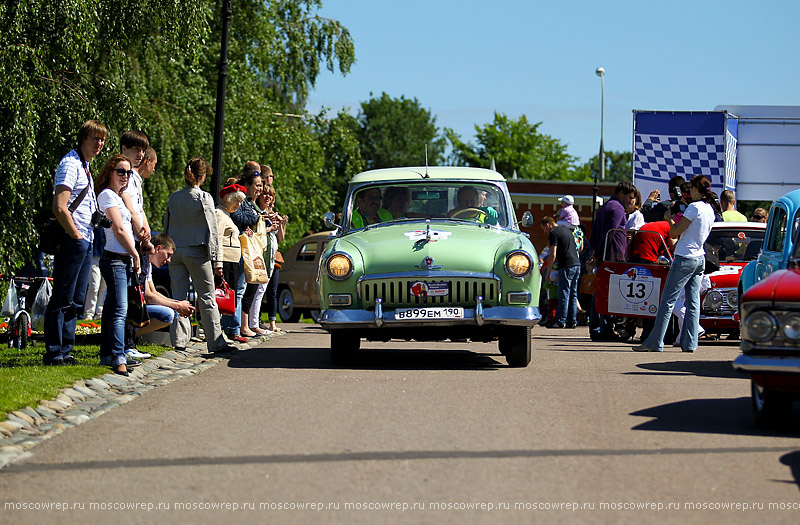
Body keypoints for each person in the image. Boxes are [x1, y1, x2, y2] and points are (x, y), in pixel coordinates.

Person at [43, 120, 108, 366]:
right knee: (62, 295)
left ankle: (66, 350)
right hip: (74, 239)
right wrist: (77, 236)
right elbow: (59, 206)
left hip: (86, 238)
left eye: (102, 140)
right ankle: (53, 351)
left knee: (76, 299)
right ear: (83, 139)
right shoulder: (70, 164)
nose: (99, 144)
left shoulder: (86, 166)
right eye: (95, 139)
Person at [634, 175, 715, 353]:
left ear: (695, 189)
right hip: (699, 257)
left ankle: (655, 342)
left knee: (667, 300)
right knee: (693, 303)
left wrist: (669, 217)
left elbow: (675, 231)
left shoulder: (694, 207)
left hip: (685, 256)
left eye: (692, 189)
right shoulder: (709, 209)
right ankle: (690, 343)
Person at [164, 157, 236, 354]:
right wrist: (217, 260)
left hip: (176, 250)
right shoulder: (204, 198)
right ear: (203, 176)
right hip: (198, 251)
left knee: (178, 296)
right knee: (207, 297)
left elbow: (166, 226)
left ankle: (178, 339)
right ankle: (216, 342)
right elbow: (212, 230)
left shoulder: (174, 197)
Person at [96, 154, 141, 376]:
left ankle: (107, 354)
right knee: (120, 310)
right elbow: (118, 229)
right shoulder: (106, 196)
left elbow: (131, 222)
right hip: (115, 258)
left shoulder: (118, 197)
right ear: (110, 172)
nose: (125, 176)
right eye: (121, 171)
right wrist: (135, 254)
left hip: (122, 258)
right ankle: (118, 356)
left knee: (113, 308)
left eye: (128, 172)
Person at [587, 181, 637, 341]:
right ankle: (606, 330)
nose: (630, 201)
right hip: (612, 257)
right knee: (609, 295)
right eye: (629, 197)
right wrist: (601, 253)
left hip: (605, 256)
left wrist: (595, 251)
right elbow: (612, 232)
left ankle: (596, 329)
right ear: (621, 193)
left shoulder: (605, 207)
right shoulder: (617, 208)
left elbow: (595, 232)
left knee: (600, 292)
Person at [215, 183, 248, 343]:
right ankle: (227, 329)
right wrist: (218, 263)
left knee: (230, 297)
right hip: (226, 261)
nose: (239, 205)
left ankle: (229, 329)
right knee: (225, 297)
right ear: (227, 199)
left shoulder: (226, 215)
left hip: (232, 260)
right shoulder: (220, 215)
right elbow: (217, 240)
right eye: (236, 201)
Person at [252, 183, 288, 333]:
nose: (268, 197)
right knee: (258, 289)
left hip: (272, 256)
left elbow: (280, 238)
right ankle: (254, 322)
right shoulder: (258, 212)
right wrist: (269, 225)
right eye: (265, 194)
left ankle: (259, 322)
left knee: (267, 290)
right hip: (261, 255)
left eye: (270, 195)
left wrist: (281, 224)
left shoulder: (272, 213)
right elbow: (258, 233)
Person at [233, 170, 264, 338]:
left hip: (247, 249)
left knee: (246, 288)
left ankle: (241, 326)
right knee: (239, 289)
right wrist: (254, 217)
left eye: (261, 185)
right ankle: (237, 327)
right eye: (257, 185)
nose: (259, 189)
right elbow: (240, 218)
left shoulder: (251, 203)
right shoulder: (242, 201)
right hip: (238, 249)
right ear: (247, 185)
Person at [540, 216, 580, 328]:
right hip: (576, 264)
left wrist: (548, 273)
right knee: (573, 294)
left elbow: (552, 255)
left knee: (563, 293)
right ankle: (572, 321)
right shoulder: (566, 231)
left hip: (566, 265)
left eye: (544, 229)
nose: (545, 232)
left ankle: (560, 321)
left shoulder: (554, 233)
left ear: (548, 225)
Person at [82, 225, 106, 320]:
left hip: (107, 256)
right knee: (94, 285)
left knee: (103, 287)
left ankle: (100, 312)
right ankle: (89, 313)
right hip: (95, 255)